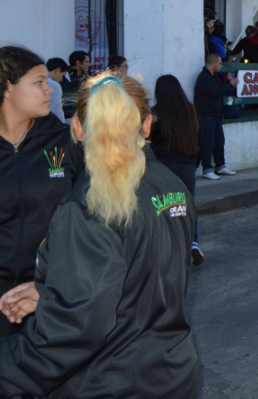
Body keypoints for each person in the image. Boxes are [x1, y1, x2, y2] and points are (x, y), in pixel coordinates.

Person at [0, 72, 198, 397]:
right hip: (171, 373)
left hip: (106, 382)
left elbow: (73, 332)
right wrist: (55, 288)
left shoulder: (87, 206)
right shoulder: (172, 186)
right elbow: (142, 278)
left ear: (78, 127)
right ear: (147, 124)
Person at [0, 47, 79, 338]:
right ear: (7, 87)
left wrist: (54, 283)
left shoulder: (65, 142)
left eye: (47, 81)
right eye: (38, 82)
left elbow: (91, 216)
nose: (50, 90)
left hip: (51, 294)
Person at [151, 74, 205, 265]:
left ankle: (168, 246)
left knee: (163, 208)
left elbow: (148, 141)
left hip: (163, 167)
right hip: (187, 166)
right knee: (187, 206)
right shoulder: (191, 111)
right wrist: (196, 164)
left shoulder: (155, 113)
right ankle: (193, 242)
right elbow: (201, 140)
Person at [193, 54, 238, 180]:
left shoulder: (214, 77)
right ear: (213, 63)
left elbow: (218, 90)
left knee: (219, 141)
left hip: (216, 114)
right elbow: (216, 92)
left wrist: (228, 82)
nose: (221, 66)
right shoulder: (204, 77)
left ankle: (220, 166)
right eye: (220, 63)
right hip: (206, 115)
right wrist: (231, 85)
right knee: (207, 143)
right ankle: (207, 169)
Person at [59, 50, 91, 119]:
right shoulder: (64, 76)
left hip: (83, 116)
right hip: (67, 117)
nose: (89, 65)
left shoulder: (86, 78)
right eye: (87, 62)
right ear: (78, 62)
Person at [45, 57, 67, 122]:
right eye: (63, 75)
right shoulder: (54, 85)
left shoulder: (37, 82)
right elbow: (56, 110)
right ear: (57, 70)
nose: (61, 79)